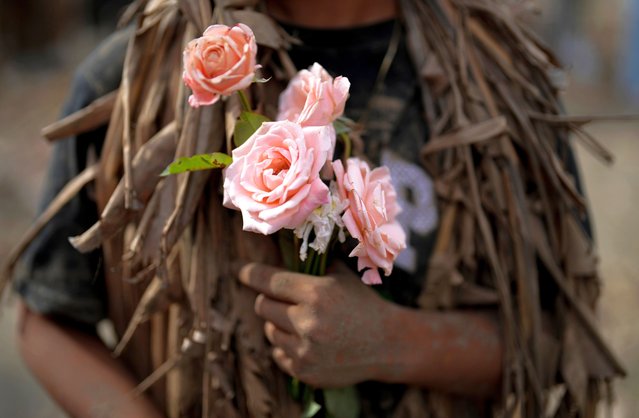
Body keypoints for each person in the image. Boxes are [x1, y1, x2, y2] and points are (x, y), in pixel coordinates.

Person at [13, 0, 618, 417]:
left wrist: (395, 342)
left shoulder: (499, 83)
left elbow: (559, 337)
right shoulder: (137, 72)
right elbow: (47, 319)